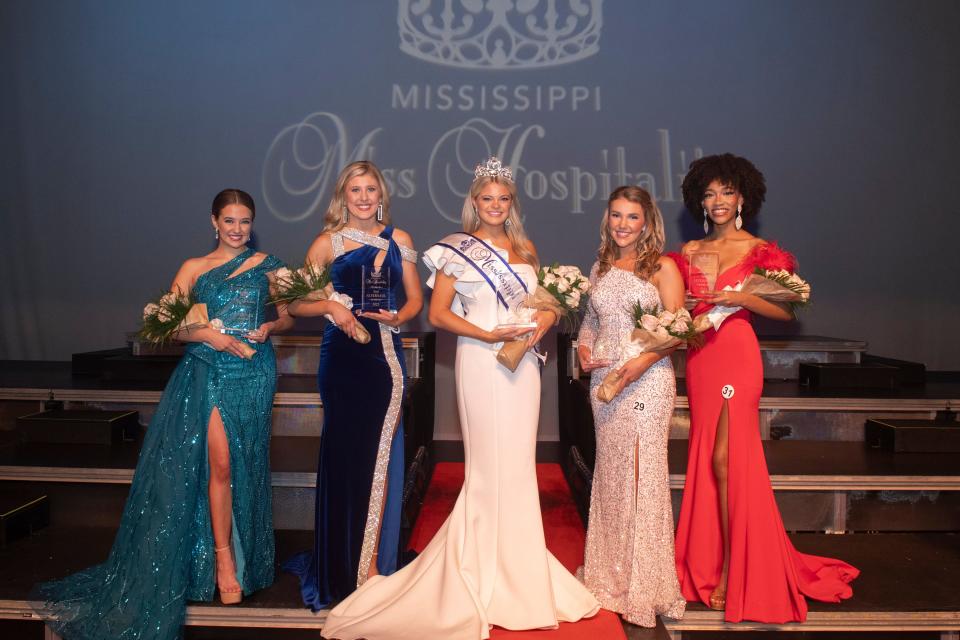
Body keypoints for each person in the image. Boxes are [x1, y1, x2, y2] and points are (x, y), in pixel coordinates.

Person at [320, 157, 599, 640]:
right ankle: (478, 569)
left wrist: (545, 324)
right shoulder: (455, 251)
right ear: (475, 203)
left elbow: (543, 305)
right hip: (479, 360)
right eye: (486, 199)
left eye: (503, 199)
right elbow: (440, 314)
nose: (494, 206)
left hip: (522, 367)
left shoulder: (526, 248)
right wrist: (488, 335)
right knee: (488, 465)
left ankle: (521, 570)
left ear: (512, 204)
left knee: (518, 463)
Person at [33, 189, 292, 639]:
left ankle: (241, 558)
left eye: (245, 221)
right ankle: (223, 558)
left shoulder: (269, 265)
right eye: (229, 221)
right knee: (221, 462)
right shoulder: (193, 268)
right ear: (214, 221)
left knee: (245, 462)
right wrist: (208, 336)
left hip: (254, 370)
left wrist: (270, 325)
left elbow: (289, 316)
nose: (237, 229)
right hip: (210, 369)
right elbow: (170, 328)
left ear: (253, 223)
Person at [672, 154, 858, 623]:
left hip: (736, 359)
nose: (717, 201)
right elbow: (680, 313)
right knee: (707, 463)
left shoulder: (760, 253)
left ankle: (738, 569)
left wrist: (739, 298)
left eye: (726, 192)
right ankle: (709, 561)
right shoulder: (690, 251)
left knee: (727, 461)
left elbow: (786, 311)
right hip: (700, 360)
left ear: (743, 198)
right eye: (709, 193)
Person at [283, 161, 423, 610]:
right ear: (343, 195)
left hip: (384, 359)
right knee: (346, 458)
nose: (363, 197)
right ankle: (346, 564)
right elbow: (295, 302)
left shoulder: (399, 239)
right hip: (340, 362)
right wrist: (332, 306)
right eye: (354, 190)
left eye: (370, 189)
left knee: (382, 454)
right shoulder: (326, 242)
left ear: (380, 193)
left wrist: (399, 316)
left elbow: (416, 299)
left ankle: (375, 567)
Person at [576, 186, 686, 627]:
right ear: (608, 220)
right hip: (604, 385)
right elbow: (589, 322)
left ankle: (645, 585)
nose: (622, 224)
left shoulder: (662, 267)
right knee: (613, 479)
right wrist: (584, 353)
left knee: (644, 478)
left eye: (632, 217)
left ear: (647, 223)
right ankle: (610, 576)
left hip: (647, 383)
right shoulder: (600, 266)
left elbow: (679, 329)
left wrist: (638, 366)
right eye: (616, 216)